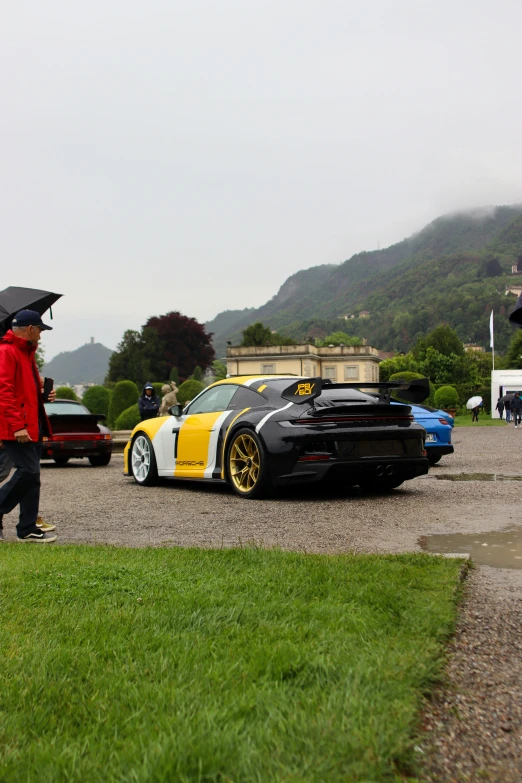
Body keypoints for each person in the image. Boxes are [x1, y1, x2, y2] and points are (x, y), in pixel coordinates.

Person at [0, 310, 57, 542]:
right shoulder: (7, 352)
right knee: (28, 471)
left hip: (32, 426)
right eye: (40, 330)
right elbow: (4, 392)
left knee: (33, 477)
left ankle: (27, 528)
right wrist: (17, 426)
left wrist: (43, 394)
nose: (41, 336)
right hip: (18, 428)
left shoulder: (26, 353)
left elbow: (24, 392)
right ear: (31, 329)